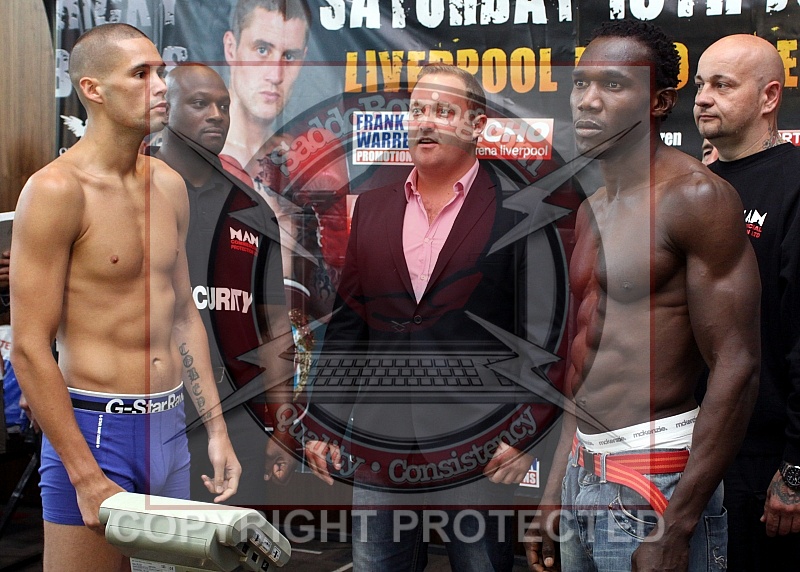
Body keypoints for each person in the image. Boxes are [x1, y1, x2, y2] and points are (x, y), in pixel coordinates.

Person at [526, 21, 761, 572]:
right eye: (581, 83)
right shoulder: (593, 208)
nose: (588, 100)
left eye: (613, 85)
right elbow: (585, 360)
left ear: (659, 102)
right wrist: (556, 490)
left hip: (657, 481)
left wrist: (676, 526)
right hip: (585, 472)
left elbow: (737, 366)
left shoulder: (696, 197)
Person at [9, 24, 241, 571]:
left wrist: (215, 429)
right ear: (92, 89)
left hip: (169, 427)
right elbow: (29, 347)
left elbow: (183, 315)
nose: (160, 85)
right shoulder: (56, 191)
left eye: (160, 71)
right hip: (95, 430)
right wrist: (84, 475)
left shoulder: (168, 185)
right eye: (140, 74)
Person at [304, 63, 545, 571]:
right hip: (380, 439)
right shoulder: (373, 208)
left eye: (442, 111)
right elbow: (348, 324)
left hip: (479, 443)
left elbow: (542, 334)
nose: (425, 122)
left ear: (477, 126)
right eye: (416, 110)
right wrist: (324, 420)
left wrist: (525, 433)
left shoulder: (519, 211)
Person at [152, 64, 297, 495]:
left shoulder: (251, 208)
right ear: (165, 109)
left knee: (233, 536)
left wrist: (281, 423)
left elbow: (274, 325)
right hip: (151, 407)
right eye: (199, 103)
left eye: (223, 105)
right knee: (148, 536)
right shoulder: (133, 191)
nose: (216, 115)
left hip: (239, 414)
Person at [695, 34, 800, 571]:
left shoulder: (793, 183)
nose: (702, 98)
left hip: (765, 461)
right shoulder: (694, 187)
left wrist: (795, 468)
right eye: (699, 85)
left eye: (722, 85)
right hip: (692, 451)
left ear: (769, 97)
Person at [222, 0, 349, 330]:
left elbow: (338, 300)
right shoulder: (191, 155)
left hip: (285, 347)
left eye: (289, 56)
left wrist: (331, 227)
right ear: (231, 48)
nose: (275, 75)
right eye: (262, 50)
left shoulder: (308, 160)